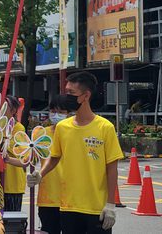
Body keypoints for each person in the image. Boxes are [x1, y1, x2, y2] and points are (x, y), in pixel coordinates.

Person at [36, 72, 122, 234]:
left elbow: (112, 169)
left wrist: (110, 204)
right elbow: (55, 157)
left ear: (86, 95)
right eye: (66, 92)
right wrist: (40, 174)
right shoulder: (63, 127)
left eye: (71, 93)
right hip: (68, 206)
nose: (66, 97)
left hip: (96, 207)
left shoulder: (105, 127)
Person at [28, 94, 74, 234]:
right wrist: (6, 158)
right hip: (48, 198)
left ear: (69, 114)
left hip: (72, 198)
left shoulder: (76, 134)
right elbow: (29, 160)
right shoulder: (41, 134)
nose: (56, 115)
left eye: (61, 112)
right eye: (53, 111)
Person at [2, 95, 27, 212]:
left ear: (13, 111)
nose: (0, 110)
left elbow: (23, 156)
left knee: (11, 220)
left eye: (4, 107)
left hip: (12, 184)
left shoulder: (18, 128)